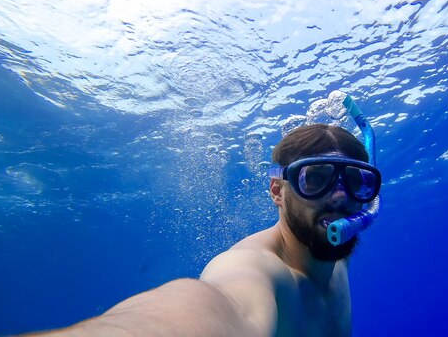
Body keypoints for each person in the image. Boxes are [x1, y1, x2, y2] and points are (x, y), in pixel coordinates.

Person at [29, 124, 382, 337]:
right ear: (278, 191)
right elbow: (221, 304)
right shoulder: (259, 270)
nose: (340, 196)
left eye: (356, 181)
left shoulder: (336, 251)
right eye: (316, 179)